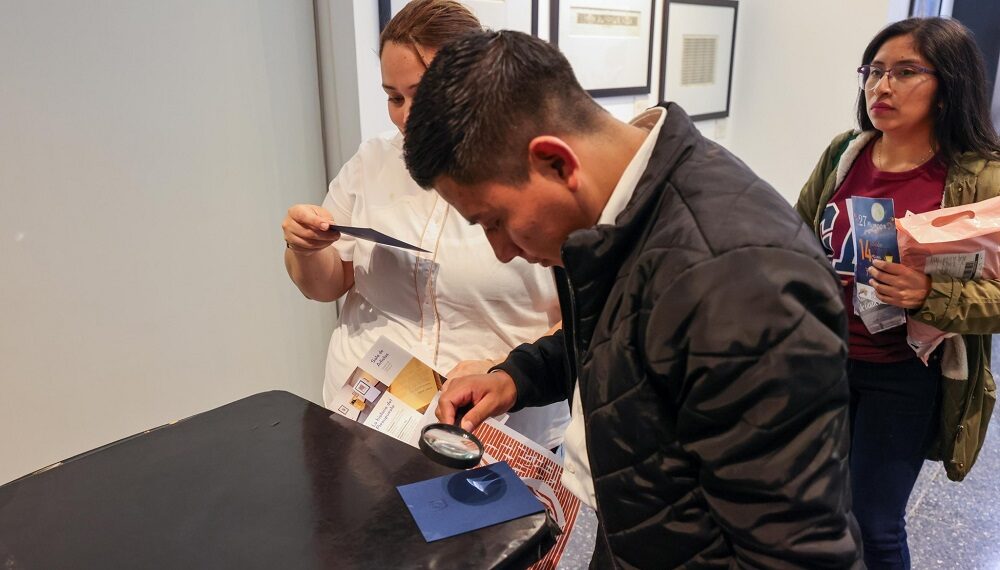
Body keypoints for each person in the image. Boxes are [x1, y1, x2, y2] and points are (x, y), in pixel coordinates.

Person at [402, 30, 862, 568]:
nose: (501, 251)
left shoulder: (741, 282)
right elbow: (626, 341)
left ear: (556, 163)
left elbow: (795, 553)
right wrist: (517, 377)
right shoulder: (616, 217)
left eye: (495, 221)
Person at [281, 0, 570, 449]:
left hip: (491, 426)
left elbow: (582, 320)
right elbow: (326, 285)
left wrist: (508, 370)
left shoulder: (535, 174)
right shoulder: (373, 161)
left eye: (423, 94)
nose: (406, 115)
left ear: (476, 82)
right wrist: (305, 247)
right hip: (367, 417)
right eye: (393, 97)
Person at [796, 17, 1000, 569]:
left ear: (949, 85)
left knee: (874, 524)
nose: (881, 86)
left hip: (903, 371)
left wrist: (928, 293)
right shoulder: (845, 153)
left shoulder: (982, 178)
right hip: (823, 362)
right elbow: (795, 233)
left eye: (906, 72)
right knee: (814, 507)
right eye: (874, 71)